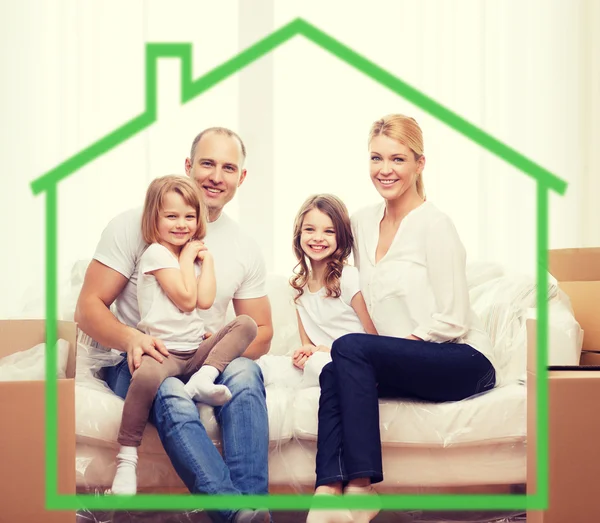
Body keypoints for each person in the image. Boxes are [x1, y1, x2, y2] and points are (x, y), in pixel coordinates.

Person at [75, 128, 273, 523]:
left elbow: (263, 330)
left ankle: (255, 508)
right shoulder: (136, 226)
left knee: (247, 373)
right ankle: (234, 513)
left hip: (199, 357)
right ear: (188, 166)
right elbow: (88, 307)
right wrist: (132, 337)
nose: (217, 176)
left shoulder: (243, 246)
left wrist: (216, 350)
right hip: (139, 360)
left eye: (228, 167)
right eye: (207, 164)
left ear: (241, 178)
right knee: (168, 391)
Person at [306, 115, 497, 523]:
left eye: (398, 159)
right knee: (333, 370)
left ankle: (361, 488)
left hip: (461, 359)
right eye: (376, 158)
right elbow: (330, 267)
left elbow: (453, 318)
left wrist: (380, 352)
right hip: (402, 358)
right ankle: (327, 490)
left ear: (419, 164)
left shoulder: (435, 226)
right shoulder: (360, 222)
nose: (385, 169)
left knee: (350, 350)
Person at [111, 175, 258, 495]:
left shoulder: (189, 256)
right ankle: (127, 458)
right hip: (164, 354)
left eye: (189, 216)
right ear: (155, 218)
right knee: (146, 378)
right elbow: (186, 299)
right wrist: (190, 258)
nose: (182, 224)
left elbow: (205, 300)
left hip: (194, 350)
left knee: (245, 324)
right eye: (172, 216)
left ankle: (204, 378)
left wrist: (207, 263)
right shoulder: (156, 255)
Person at [289, 194, 377, 378]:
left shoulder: (348, 278)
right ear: (299, 234)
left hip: (354, 362)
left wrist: (329, 352)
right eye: (310, 229)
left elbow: (374, 339)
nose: (318, 238)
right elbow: (307, 344)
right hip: (321, 363)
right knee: (268, 366)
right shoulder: (299, 286)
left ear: (341, 237)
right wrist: (305, 354)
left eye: (329, 231)